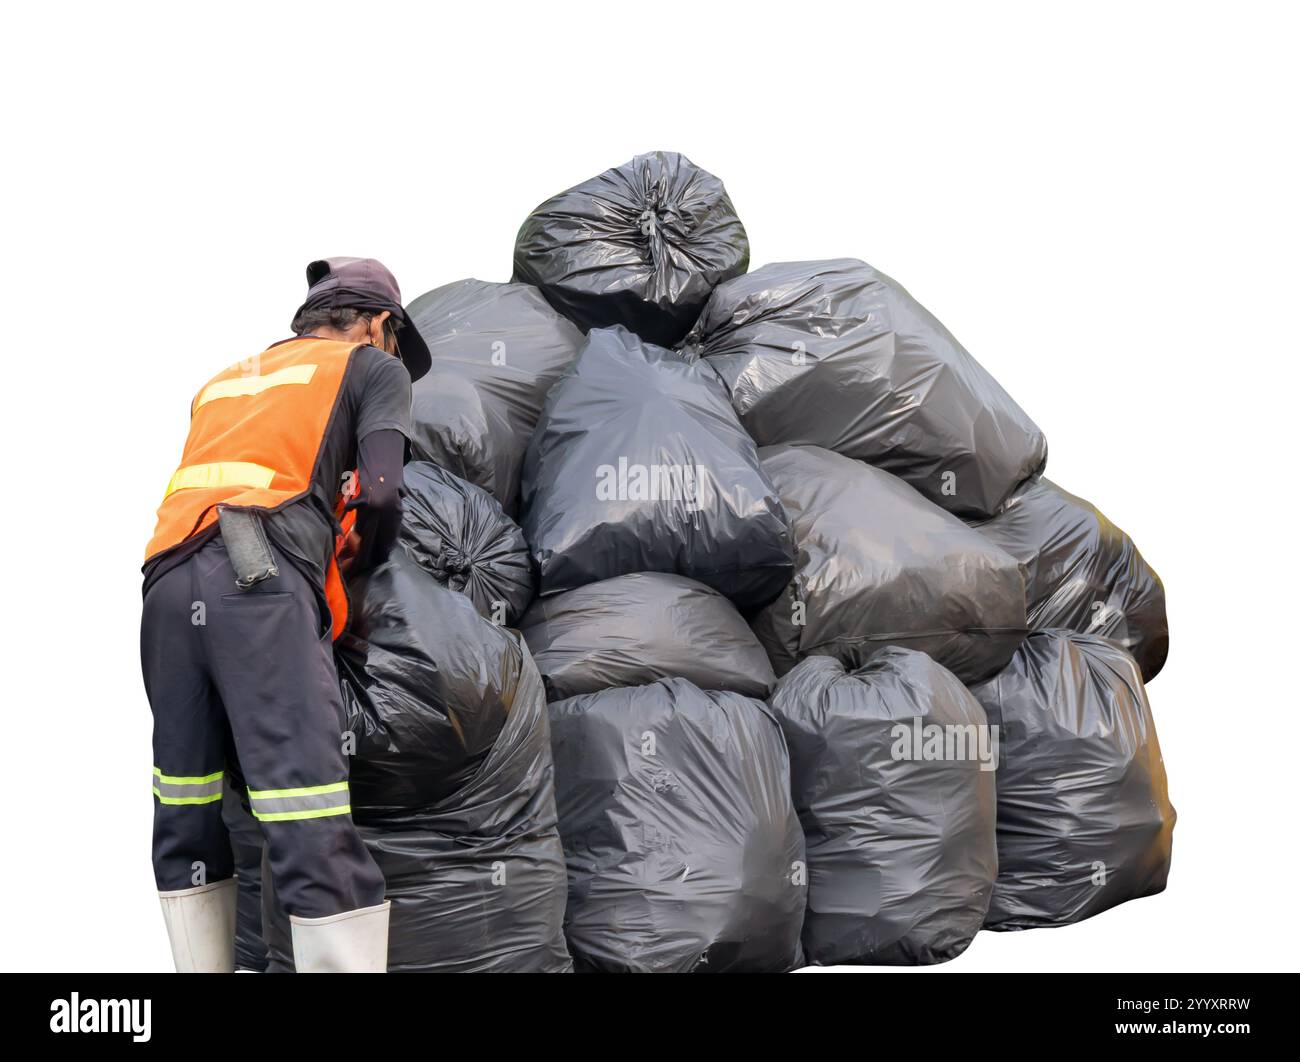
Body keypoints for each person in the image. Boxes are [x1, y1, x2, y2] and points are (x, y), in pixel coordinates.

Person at [140, 257, 431, 972]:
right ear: (380, 324)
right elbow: (384, 492)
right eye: (392, 340)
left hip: (164, 582)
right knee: (305, 807)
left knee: (186, 805)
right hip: (256, 583)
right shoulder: (369, 366)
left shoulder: (226, 379)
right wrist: (359, 565)